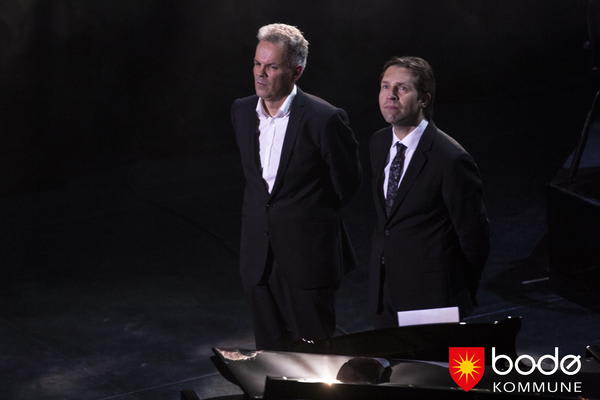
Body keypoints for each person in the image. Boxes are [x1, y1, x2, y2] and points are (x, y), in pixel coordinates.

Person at [231, 23, 361, 349]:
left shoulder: (324, 118)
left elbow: (347, 184)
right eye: (257, 64)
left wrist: (306, 215)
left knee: (316, 358)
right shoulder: (241, 111)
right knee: (271, 355)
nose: (260, 74)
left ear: (296, 71)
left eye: (272, 67)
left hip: (308, 259)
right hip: (258, 259)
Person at [368, 56, 489, 328]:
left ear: (424, 99)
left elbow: (475, 237)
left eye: (402, 88)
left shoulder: (450, 158)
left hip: (433, 298)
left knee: (435, 359)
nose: (391, 95)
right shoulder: (378, 143)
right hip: (385, 294)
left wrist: (457, 292)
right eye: (385, 86)